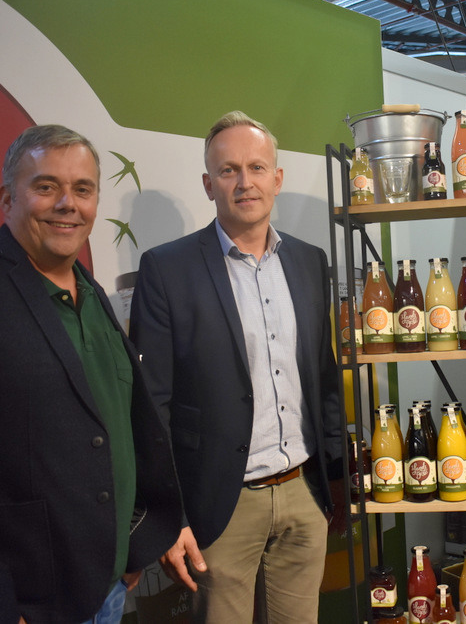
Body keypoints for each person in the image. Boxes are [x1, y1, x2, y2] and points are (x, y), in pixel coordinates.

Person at [0, 125, 183, 624]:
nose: (68, 204)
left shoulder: (92, 293)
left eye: (83, 189)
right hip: (21, 604)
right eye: (46, 187)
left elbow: (116, 429)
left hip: (106, 591)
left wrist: (134, 544)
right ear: (7, 199)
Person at [129, 111, 343, 623]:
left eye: (256, 167)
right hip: (219, 507)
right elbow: (151, 405)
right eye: (228, 171)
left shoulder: (310, 262)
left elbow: (324, 379)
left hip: (304, 493)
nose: (245, 182)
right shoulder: (167, 268)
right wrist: (169, 515)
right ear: (209, 184)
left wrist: (335, 481)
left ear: (277, 178)